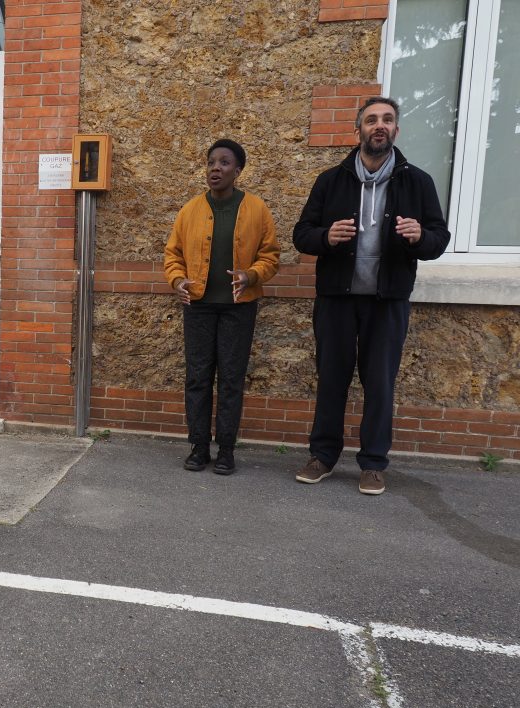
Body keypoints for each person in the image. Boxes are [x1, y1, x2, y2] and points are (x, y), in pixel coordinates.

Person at [293, 96, 450, 495]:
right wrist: (326, 237)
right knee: (332, 379)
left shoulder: (418, 181)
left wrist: (420, 238)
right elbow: (302, 234)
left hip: (388, 301)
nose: (379, 126)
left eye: (387, 120)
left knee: (380, 383)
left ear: (396, 130)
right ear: (358, 129)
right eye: (371, 120)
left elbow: (438, 239)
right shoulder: (331, 180)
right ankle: (323, 456)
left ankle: (373, 463)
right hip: (336, 299)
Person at [163, 139, 280, 475]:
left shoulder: (257, 209)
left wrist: (252, 275)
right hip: (198, 307)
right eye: (211, 162)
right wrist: (178, 281)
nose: (216, 168)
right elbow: (173, 254)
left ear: (238, 170)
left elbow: (271, 255)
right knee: (198, 378)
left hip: (238, 308)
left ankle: (226, 450)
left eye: (225, 162)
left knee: (230, 379)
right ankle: (199, 447)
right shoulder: (190, 210)